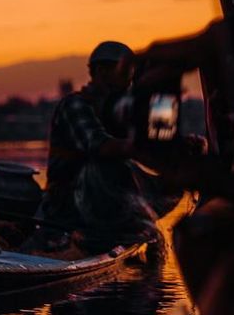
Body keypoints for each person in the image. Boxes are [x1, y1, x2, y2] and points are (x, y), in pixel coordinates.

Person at [40, 40, 154, 229]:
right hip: (68, 201)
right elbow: (99, 146)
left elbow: (143, 138)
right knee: (109, 167)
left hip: (105, 202)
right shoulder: (75, 105)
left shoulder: (119, 109)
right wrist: (140, 147)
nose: (130, 79)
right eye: (126, 71)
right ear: (102, 71)